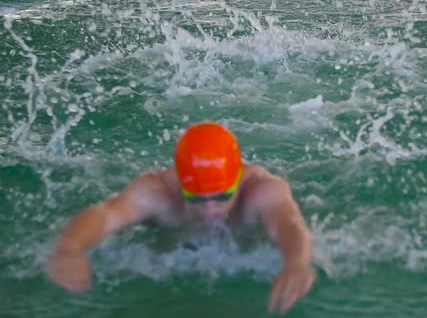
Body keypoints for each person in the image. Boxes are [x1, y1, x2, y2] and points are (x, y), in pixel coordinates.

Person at [47, 121, 316, 314]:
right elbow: (105, 214)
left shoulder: (263, 190)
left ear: (238, 178)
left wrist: (296, 263)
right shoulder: (156, 191)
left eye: (222, 197)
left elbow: (289, 224)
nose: (211, 210)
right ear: (181, 184)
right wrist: (69, 247)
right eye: (197, 198)